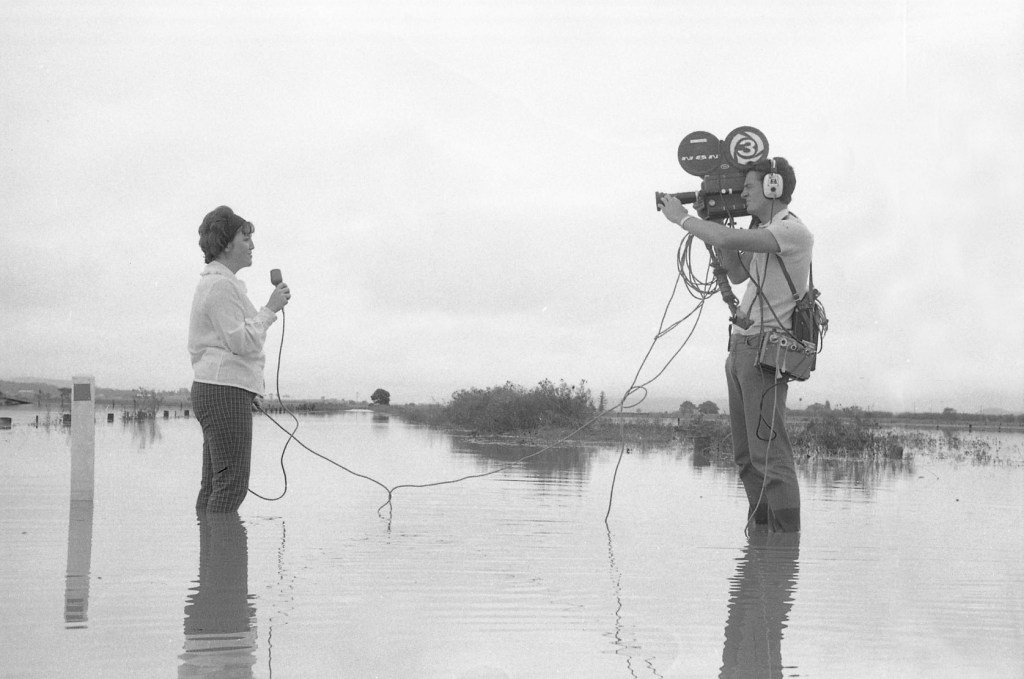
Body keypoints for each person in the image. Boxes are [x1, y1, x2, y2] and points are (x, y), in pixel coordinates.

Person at [659, 158, 811, 532]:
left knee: (769, 455)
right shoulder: (765, 231)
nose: (742, 193)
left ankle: (786, 540)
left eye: (749, 186)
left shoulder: (792, 231)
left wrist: (684, 219)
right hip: (742, 347)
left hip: (764, 351)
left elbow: (727, 239)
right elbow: (738, 269)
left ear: (773, 187)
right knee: (745, 456)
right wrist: (715, 221)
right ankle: (764, 543)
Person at [188, 206, 291, 513]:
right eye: (245, 238)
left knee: (216, 485)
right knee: (231, 486)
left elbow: (226, 343)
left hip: (219, 389)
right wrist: (270, 309)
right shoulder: (220, 285)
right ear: (226, 244)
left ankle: (211, 558)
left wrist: (245, 388)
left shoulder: (218, 283)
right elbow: (241, 341)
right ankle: (223, 561)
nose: (252, 246)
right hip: (222, 391)